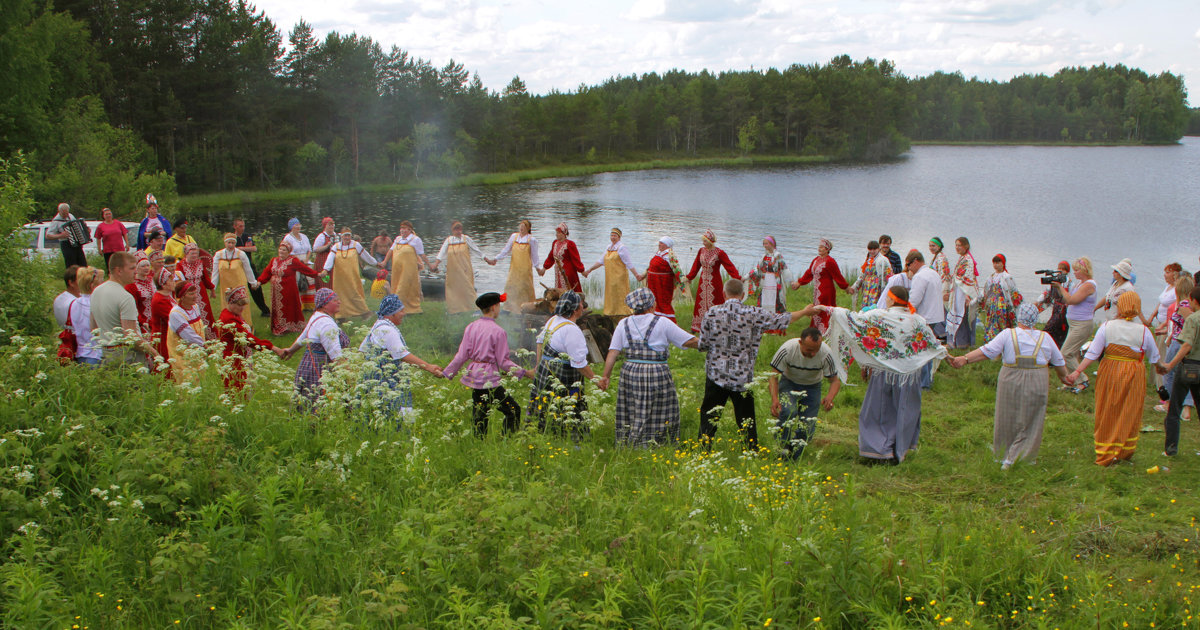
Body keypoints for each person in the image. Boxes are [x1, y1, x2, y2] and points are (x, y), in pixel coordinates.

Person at [819, 287, 947, 464]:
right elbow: (931, 342)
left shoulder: (879, 316)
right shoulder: (917, 320)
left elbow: (853, 319)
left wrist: (827, 309)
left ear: (892, 300)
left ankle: (877, 450)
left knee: (878, 411)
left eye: (887, 298)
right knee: (905, 412)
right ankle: (898, 450)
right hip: (909, 376)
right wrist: (946, 355)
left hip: (885, 373)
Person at [948, 303, 1071, 469]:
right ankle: (1020, 457)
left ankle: (1004, 454)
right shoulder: (1046, 337)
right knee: (1032, 418)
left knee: (1006, 415)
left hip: (1010, 377)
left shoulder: (1008, 334)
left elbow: (987, 351)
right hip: (1037, 378)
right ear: (1035, 320)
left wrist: (965, 359)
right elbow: (1059, 362)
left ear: (1019, 317)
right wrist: (1064, 378)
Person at [698, 278, 814, 451]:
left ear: (724, 293)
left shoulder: (711, 313)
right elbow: (782, 320)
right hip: (742, 377)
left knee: (709, 416)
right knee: (746, 420)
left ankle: (703, 450)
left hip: (716, 375)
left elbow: (703, 345)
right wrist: (805, 312)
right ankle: (751, 452)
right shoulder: (754, 313)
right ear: (743, 295)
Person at [598, 288, 699, 447]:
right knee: (661, 408)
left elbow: (612, 353)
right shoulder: (662, 322)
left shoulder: (623, 323)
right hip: (655, 371)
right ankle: (659, 442)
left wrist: (605, 376)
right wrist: (709, 344)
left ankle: (630, 442)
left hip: (630, 371)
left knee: (632, 406)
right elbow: (688, 341)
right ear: (652, 305)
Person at [1070, 292, 1158, 466]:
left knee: (1108, 407)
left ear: (1120, 306)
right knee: (1129, 409)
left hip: (1110, 370)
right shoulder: (1144, 331)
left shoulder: (1107, 326)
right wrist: (1165, 368)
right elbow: (1154, 358)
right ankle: (1123, 450)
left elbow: (1093, 353)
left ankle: (1105, 450)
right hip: (1134, 373)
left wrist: (1076, 372)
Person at [443, 292, 530, 437]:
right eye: (499, 306)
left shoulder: (471, 327)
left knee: (480, 412)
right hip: (489, 376)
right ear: (494, 307)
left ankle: (479, 442)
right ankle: (508, 440)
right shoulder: (498, 331)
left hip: (475, 375)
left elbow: (462, 355)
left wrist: (447, 372)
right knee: (513, 409)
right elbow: (503, 362)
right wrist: (525, 373)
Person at [358, 295, 444, 423]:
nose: (403, 314)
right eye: (401, 311)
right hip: (387, 379)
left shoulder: (377, 325)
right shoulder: (388, 330)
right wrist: (429, 367)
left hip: (374, 377)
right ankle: (400, 434)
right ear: (391, 313)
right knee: (395, 410)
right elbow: (403, 355)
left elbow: (363, 350)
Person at [527, 291, 597, 439]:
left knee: (545, 403)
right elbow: (579, 364)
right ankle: (570, 439)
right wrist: (596, 380)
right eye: (580, 305)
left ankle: (542, 433)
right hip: (562, 374)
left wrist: (539, 365)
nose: (583, 307)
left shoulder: (553, 320)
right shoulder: (571, 330)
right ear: (575, 310)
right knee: (566, 405)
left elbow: (540, 342)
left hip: (545, 370)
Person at [768, 327, 842, 460]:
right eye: (809, 350)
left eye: (816, 350)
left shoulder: (826, 354)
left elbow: (835, 381)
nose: (813, 354)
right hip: (789, 382)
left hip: (812, 387)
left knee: (807, 424)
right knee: (788, 411)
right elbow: (773, 375)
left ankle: (796, 454)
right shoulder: (788, 349)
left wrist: (830, 397)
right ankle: (782, 448)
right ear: (800, 343)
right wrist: (775, 399)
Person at [90, 251, 159, 366]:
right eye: (132, 268)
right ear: (119, 271)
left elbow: (93, 328)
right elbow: (131, 336)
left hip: (106, 353)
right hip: (127, 356)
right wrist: (154, 353)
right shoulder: (125, 297)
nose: (136, 272)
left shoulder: (96, 291)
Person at [287, 288, 350, 409]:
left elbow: (303, 337)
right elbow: (335, 355)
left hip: (308, 364)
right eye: (335, 300)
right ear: (325, 304)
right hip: (320, 368)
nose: (339, 302)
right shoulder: (326, 324)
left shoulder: (317, 316)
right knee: (319, 405)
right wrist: (347, 376)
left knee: (307, 404)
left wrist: (290, 351)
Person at [1157, 285, 1200, 457]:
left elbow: (1187, 345)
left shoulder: (1193, 319)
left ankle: (1171, 449)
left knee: (1174, 408)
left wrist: (1171, 364)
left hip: (1189, 366)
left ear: (1194, 300)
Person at [216, 286, 287, 390]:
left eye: (243, 305)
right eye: (239, 305)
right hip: (234, 359)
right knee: (238, 387)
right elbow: (249, 340)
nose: (242, 308)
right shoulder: (229, 319)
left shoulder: (233, 314)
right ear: (230, 303)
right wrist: (273, 348)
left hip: (240, 355)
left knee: (244, 386)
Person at [258, 240, 322, 335]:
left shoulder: (292, 261)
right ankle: (278, 326)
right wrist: (259, 281)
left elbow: (304, 269)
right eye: (280, 249)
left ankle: (287, 327)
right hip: (276, 291)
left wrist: (317, 274)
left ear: (288, 252)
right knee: (277, 309)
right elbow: (267, 272)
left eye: (284, 250)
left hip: (288, 289)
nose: (281, 251)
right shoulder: (274, 260)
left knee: (287, 308)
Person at [686, 229, 740, 333]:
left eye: (705, 241)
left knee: (716, 303)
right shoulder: (701, 251)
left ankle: (717, 325)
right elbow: (696, 266)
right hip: (702, 282)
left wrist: (737, 277)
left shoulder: (719, 253)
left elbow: (729, 266)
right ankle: (698, 326)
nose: (703, 243)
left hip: (714, 283)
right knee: (700, 303)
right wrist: (689, 277)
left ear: (710, 241)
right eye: (703, 241)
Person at [1157, 275, 1195, 420]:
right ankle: (1186, 409)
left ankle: (1169, 403)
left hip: (1179, 342)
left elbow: (1190, 324)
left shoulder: (1183, 305)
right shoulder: (1191, 304)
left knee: (1169, 371)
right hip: (1183, 341)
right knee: (1187, 374)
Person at [792, 238, 849, 334]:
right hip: (817, 289)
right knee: (817, 307)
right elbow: (809, 273)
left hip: (826, 290)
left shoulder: (830, 261)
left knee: (823, 308)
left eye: (822, 247)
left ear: (827, 249)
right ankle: (817, 327)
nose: (820, 249)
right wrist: (799, 283)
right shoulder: (816, 260)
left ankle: (825, 328)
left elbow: (837, 275)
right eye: (819, 247)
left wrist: (846, 287)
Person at [430, 220, 485, 315]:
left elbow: (476, 250)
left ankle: (475, 308)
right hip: (453, 270)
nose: (458, 231)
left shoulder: (466, 239)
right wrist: (435, 264)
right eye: (456, 229)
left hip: (465, 268)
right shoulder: (448, 241)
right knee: (453, 289)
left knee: (468, 287)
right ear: (452, 230)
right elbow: (441, 253)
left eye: (459, 229)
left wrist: (486, 259)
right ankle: (454, 310)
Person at [584, 227, 640, 316]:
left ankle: (622, 312)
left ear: (619, 237)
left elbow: (628, 263)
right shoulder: (609, 248)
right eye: (611, 235)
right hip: (610, 277)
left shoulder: (622, 248)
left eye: (615, 236)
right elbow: (600, 261)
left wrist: (636, 275)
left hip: (620, 277)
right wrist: (590, 270)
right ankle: (610, 312)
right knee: (611, 295)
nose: (613, 237)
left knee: (620, 294)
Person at [485, 220, 539, 312]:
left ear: (528, 228)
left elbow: (534, 256)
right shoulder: (514, 237)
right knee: (510, 287)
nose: (522, 228)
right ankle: (509, 308)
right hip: (514, 268)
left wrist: (538, 268)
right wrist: (495, 259)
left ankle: (526, 309)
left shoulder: (532, 240)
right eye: (521, 226)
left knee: (524, 288)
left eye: (524, 226)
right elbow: (506, 250)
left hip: (525, 269)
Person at [166, 281, 211, 384]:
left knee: (202, 377)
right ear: (182, 297)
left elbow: (200, 328)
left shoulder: (195, 307)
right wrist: (205, 346)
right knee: (188, 379)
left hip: (197, 349)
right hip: (183, 353)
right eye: (191, 294)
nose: (195, 296)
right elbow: (188, 335)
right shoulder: (175, 314)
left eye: (195, 293)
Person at [1151, 263, 1183, 395]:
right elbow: (1160, 302)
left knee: (1163, 355)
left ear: (1175, 274)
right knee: (1157, 352)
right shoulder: (1167, 287)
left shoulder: (1177, 290)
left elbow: (1175, 311)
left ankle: (1163, 386)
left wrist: (1164, 325)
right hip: (1160, 322)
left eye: (1168, 272)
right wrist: (1153, 316)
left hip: (1168, 326)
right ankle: (1156, 382)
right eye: (1165, 272)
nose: (1165, 274)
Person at [745, 236, 788, 332]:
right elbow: (758, 268)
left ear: (772, 244)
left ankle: (776, 326)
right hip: (766, 282)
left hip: (775, 282)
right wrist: (746, 276)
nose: (765, 245)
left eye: (766, 243)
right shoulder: (764, 257)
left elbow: (784, 268)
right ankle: (763, 325)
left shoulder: (778, 256)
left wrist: (791, 282)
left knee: (776, 301)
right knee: (763, 301)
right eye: (764, 243)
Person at [384, 220, 427, 314]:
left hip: (408, 270)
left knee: (403, 288)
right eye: (401, 228)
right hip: (397, 270)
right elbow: (391, 251)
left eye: (404, 229)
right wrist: (384, 262)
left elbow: (422, 254)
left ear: (410, 230)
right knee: (396, 287)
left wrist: (430, 265)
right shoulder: (398, 239)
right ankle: (404, 309)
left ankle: (398, 310)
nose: (402, 231)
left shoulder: (415, 240)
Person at [211, 233, 260, 315]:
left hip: (239, 283)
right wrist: (213, 287)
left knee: (240, 303)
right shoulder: (218, 255)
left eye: (233, 243)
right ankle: (228, 324)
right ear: (225, 243)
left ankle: (244, 324)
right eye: (228, 243)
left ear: (235, 243)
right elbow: (215, 272)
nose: (230, 245)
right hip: (226, 284)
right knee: (227, 304)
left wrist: (253, 282)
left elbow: (248, 270)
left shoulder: (241, 254)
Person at [945, 236, 980, 349]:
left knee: (962, 316)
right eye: (956, 245)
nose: (957, 247)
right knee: (957, 315)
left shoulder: (968, 260)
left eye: (959, 245)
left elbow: (968, 279)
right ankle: (956, 342)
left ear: (966, 246)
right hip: (958, 291)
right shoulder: (962, 258)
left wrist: (967, 296)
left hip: (963, 292)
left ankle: (962, 343)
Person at [67, 267, 106, 367]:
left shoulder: (74, 303)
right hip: (97, 353)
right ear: (93, 285)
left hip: (81, 352)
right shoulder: (97, 303)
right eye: (101, 280)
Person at [233, 218, 271, 317]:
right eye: (240, 226)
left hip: (249, 265)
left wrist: (241, 248)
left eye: (243, 226)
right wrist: (244, 249)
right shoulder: (232, 238)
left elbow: (254, 248)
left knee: (256, 287)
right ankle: (237, 310)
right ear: (235, 226)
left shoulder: (247, 236)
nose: (242, 228)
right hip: (238, 267)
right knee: (239, 288)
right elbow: (232, 250)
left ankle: (264, 309)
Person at [980, 254, 1021, 343]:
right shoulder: (991, 277)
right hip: (992, 303)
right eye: (994, 263)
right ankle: (991, 340)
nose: (996, 265)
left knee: (1001, 321)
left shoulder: (1007, 277)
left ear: (1003, 263)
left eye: (998, 262)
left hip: (1002, 303)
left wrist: (1016, 303)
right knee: (991, 321)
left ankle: (1002, 340)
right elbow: (986, 290)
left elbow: (1013, 291)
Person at [645, 236, 686, 320]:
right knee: (654, 301)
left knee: (663, 302)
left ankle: (668, 321)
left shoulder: (670, 255)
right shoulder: (659, 253)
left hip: (662, 284)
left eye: (661, 243)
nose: (659, 244)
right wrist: (643, 275)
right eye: (659, 242)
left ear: (667, 245)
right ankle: (655, 319)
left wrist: (682, 282)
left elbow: (676, 269)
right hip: (654, 284)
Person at [176, 244, 215, 328]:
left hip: (201, 292)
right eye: (192, 253)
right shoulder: (180, 265)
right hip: (188, 292)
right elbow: (179, 281)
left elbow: (205, 278)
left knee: (205, 311)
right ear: (186, 254)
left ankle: (208, 334)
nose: (194, 256)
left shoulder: (200, 263)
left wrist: (212, 288)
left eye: (196, 253)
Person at [1036, 260, 1073, 349]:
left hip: (1064, 310)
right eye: (1059, 268)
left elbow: (1071, 297)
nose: (1060, 270)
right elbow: (1047, 292)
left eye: (1063, 269)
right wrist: (1038, 301)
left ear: (1067, 271)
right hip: (1056, 309)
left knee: (1053, 330)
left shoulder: (1070, 283)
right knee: (1054, 330)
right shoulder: (1055, 280)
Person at [540, 222, 585, 293]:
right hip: (558, 272)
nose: (556, 234)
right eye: (556, 232)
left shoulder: (570, 244)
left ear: (564, 234)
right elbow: (551, 257)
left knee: (569, 291)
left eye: (558, 233)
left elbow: (576, 259)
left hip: (568, 273)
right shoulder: (555, 243)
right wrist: (544, 268)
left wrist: (582, 270)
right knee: (559, 292)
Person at [282, 218, 315, 312]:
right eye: (295, 225)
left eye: (299, 225)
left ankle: (309, 305)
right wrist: (299, 261)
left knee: (309, 281)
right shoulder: (288, 238)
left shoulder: (304, 236)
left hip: (306, 261)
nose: (298, 227)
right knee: (297, 282)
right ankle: (298, 306)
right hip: (295, 262)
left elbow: (309, 249)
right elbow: (287, 251)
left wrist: (306, 259)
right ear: (291, 227)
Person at [849, 240, 891, 311]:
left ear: (878, 249)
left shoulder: (883, 260)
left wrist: (886, 289)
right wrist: (855, 285)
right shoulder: (868, 260)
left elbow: (888, 275)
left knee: (875, 306)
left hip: (876, 287)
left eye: (874, 249)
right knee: (865, 305)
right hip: (867, 287)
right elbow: (863, 274)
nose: (872, 251)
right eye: (870, 249)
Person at [149, 269, 176, 370]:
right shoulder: (159, 300)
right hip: (162, 338)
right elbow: (172, 319)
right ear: (163, 285)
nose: (174, 282)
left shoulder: (168, 296)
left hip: (168, 336)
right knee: (166, 367)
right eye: (171, 280)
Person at [46, 203, 87, 268]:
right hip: (66, 244)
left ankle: (82, 277)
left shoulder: (71, 216)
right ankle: (71, 277)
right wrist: (61, 235)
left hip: (76, 243)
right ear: (59, 211)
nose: (65, 215)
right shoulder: (56, 221)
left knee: (82, 263)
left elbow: (77, 226)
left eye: (67, 213)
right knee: (71, 265)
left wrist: (85, 230)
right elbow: (48, 235)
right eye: (63, 214)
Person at [124, 255, 155, 331]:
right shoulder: (131, 285)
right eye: (143, 266)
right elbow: (133, 306)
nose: (146, 268)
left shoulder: (151, 280)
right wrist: (142, 321)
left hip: (154, 319)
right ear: (137, 268)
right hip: (143, 322)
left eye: (148, 265)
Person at [311, 217, 337, 291]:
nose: (331, 227)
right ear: (325, 226)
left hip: (334, 262)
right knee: (325, 282)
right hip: (323, 262)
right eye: (329, 225)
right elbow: (315, 249)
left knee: (334, 281)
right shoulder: (321, 236)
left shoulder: (336, 235)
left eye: (332, 225)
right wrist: (327, 246)